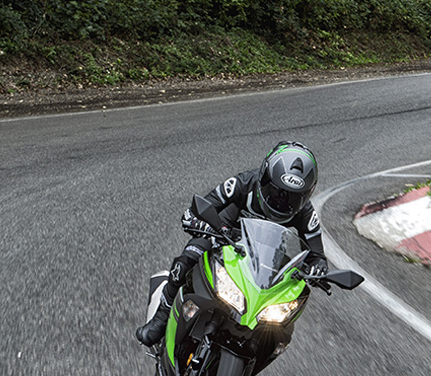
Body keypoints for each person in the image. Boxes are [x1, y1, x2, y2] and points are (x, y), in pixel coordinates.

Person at [136, 141, 328, 347]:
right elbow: (205, 204)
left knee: (283, 320)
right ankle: (161, 317)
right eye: (276, 191)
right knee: (186, 262)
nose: (282, 200)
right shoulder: (242, 183)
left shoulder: (306, 213)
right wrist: (195, 219)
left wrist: (318, 268)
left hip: (267, 257)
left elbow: (317, 255)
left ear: (306, 195)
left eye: (293, 198)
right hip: (223, 234)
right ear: (264, 177)